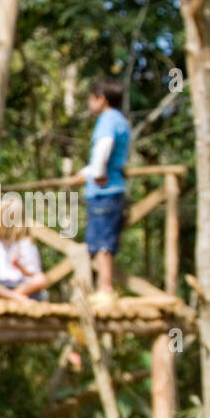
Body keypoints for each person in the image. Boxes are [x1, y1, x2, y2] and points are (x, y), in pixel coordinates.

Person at [69, 77, 130, 303]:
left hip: (105, 191)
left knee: (103, 243)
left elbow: (103, 149)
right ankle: (100, 289)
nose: (89, 103)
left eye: (90, 98)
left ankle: (105, 290)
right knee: (97, 241)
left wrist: (97, 174)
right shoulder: (118, 120)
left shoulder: (107, 120)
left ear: (101, 98)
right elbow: (104, 158)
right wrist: (86, 173)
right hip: (108, 188)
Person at [0, 217, 48, 301]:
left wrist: (19, 266)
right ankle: (14, 297)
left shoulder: (26, 244)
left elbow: (33, 274)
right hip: (1, 286)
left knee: (41, 279)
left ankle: (9, 297)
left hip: (20, 285)